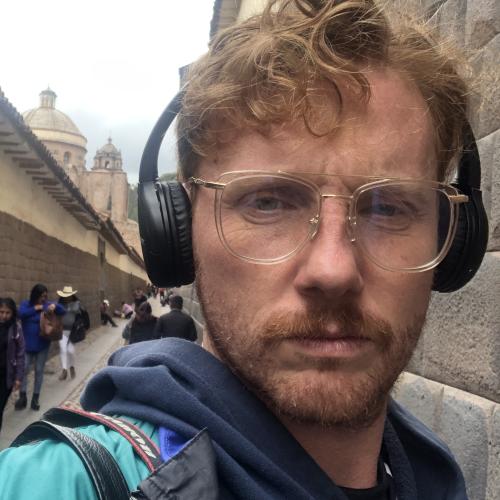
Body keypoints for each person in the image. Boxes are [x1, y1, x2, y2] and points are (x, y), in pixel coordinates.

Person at [0, 1, 483, 497]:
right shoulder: (53, 483)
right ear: (180, 231)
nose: (333, 269)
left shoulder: (435, 479)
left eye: (389, 208)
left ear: (454, 242)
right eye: (268, 202)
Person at [15, 284, 65, 411]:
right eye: (41, 296)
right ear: (35, 295)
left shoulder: (47, 304)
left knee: (39, 370)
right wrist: (36, 308)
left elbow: (62, 310)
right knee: (24, 369)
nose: (43, 298)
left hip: (42, 345)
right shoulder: (26, 304)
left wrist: (55, 306)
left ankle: (35, 398)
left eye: (45, 296)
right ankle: (22, 397)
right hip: (26, 345)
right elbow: (20, 314)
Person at [0, 298, 25, 434]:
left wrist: (18, 378)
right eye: (1, 312)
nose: (4, 316)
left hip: (6, 376)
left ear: (12, 313)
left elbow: (20, 354)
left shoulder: (16, 329)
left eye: (7, 312)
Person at [56, 286, 82, 381]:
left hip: (72, 331)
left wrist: (66, 307)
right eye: (65, 295)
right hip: (62, 330)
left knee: (70, 350)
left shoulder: (76, 304)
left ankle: (71, 367)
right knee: (63, 349)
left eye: (69, 295)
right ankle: (64, 370)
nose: (67, 297)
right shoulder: (59, 305)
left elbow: (75, 309)